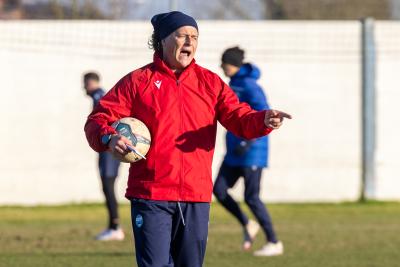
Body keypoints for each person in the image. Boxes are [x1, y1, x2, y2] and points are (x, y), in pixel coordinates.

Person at [84, 11, 291, 267]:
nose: (189, 42)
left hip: (196, 195)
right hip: (151, 195)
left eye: (194, 36)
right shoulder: (137, 82)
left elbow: (239, 117)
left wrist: (262, 120)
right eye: (181, 35)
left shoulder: (210, 83)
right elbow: (97, 119)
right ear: (162, 40)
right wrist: (108, 137)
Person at [213, 46, 283, 256]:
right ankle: (247, 223)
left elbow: (265, 115)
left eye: (223, 63)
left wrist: (249, 142)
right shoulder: (233, 84)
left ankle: (273, 241)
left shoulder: (250, 86)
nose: (221, 67)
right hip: (235, 152)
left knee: (251, 197)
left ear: (231, 64)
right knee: (219, 190)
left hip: (252, 152)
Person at [83, 72, 124, 241]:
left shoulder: (100, 96)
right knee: (107, 187)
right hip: (107, 150)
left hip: (109, 151)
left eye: (85, 83)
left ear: (91, 83)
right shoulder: (100, 95)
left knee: (108, 187)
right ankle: (113, 226)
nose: (83, 87)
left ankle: (115, 227)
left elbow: (106, 120)